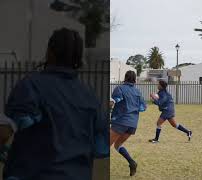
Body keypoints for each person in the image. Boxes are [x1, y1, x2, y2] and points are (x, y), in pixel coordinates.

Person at [0, 28, 108, 180]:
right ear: (78, 57)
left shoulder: (32, 85)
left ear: (50, 52)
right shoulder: (90, 95)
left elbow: (6, 130)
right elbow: (101, 148)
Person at [109, 70, 146, 176]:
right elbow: (143, 107)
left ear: (125, 77)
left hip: (120, 122)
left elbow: (113, 102)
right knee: (118, 145)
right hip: (133, 124)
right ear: (135, 79)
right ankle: (132, 163)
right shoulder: (138, 92)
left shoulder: (119, 88)